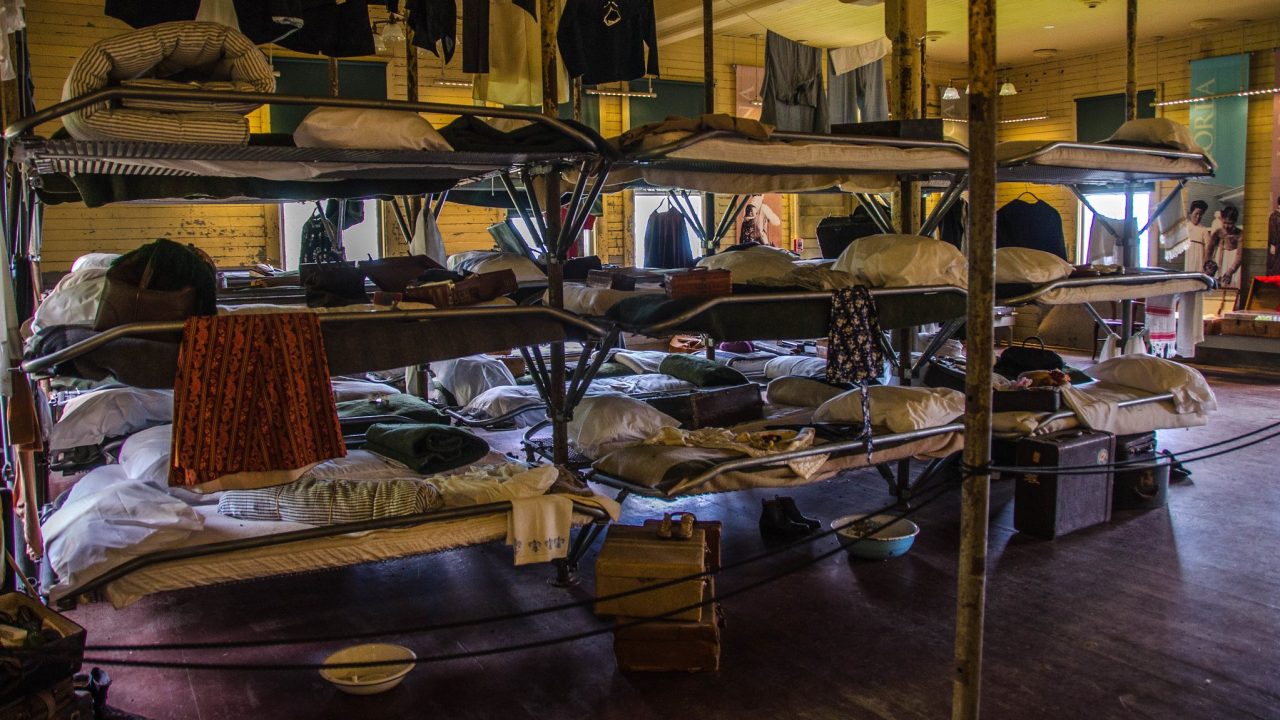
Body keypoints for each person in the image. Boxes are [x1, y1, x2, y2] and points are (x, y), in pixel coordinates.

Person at [1206, 204, 1243, 289]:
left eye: (1230, 223)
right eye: (1225, 223)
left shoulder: (1240, 234)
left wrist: (1231, 270)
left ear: (1235, 222)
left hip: (1233, 261)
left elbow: (1239, 256)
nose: (1226, 226)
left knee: (1232, 285)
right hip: (1221, 259)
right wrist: (1208, 264)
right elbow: (1209, 249)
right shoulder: (1218, 232)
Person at [1267, 195, 1280, 276]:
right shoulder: (1274, 216)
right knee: (1275, 263)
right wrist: (1273, 244)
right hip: (1276, 245)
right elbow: (1273, 232)